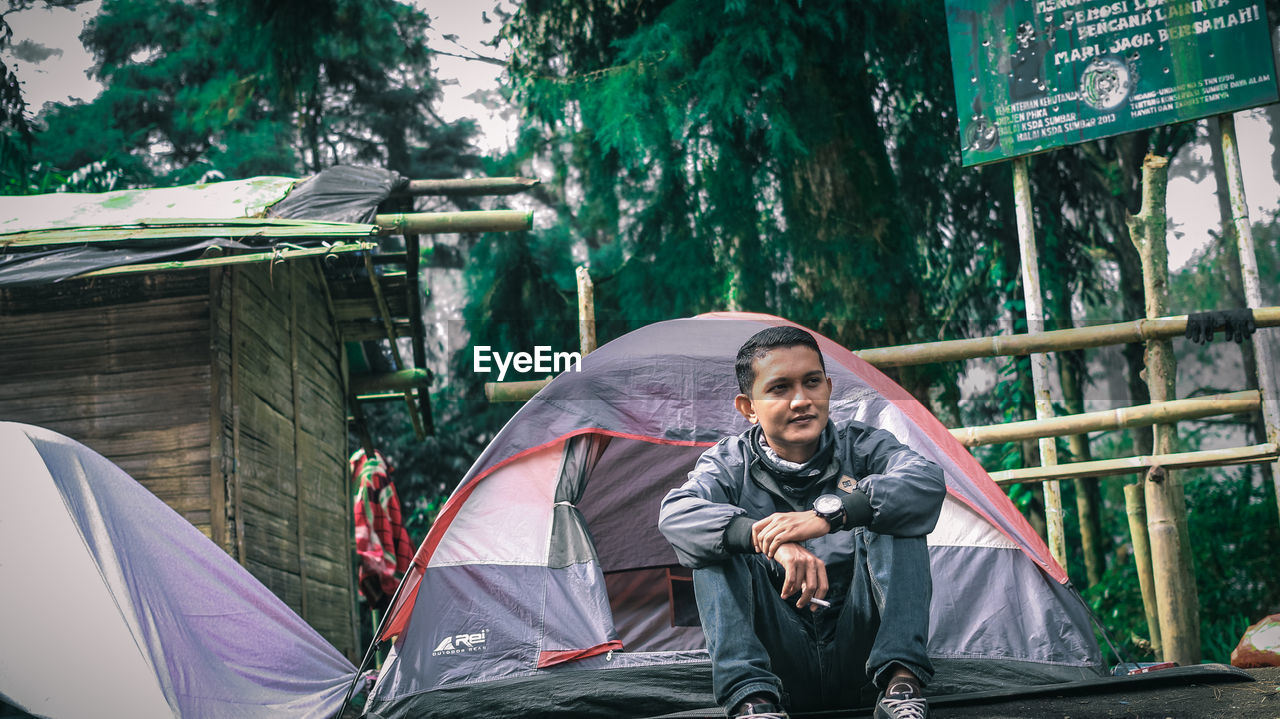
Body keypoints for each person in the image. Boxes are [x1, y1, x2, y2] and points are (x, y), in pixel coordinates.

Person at [658, 326, 946, 719]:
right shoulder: (728, 463)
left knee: (896, 511)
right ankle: (751, 702)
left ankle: (901, 686)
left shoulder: (863, 447)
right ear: (748, 407)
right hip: (778, 667)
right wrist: (765, 539)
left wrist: (829, 516)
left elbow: (925, 481)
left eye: (812, 383)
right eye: (779, 389)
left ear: (828, 387)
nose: (800, 401)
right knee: (712, 542)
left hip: (861, 656)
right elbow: (677, 513)